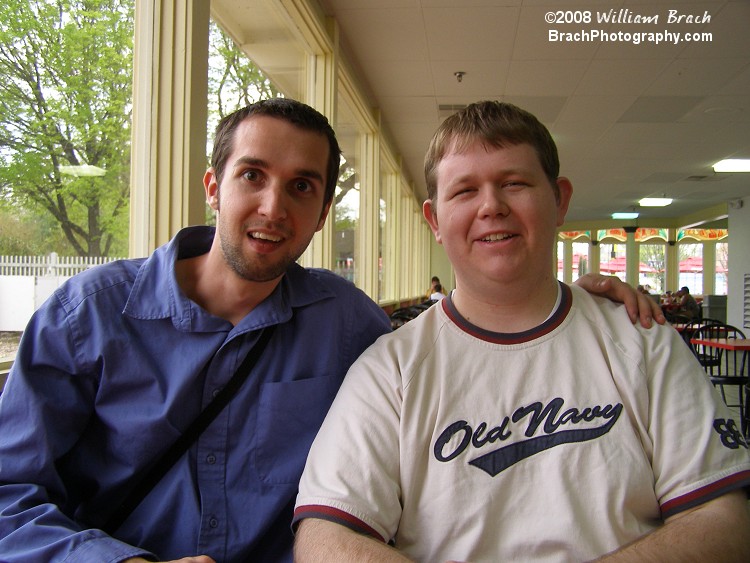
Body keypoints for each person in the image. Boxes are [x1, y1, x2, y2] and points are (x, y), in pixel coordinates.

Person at [0, 98, 660, 563]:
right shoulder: (86, 315)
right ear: (213, 185)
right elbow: (9, 491)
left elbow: (461, 368)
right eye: (252, 176)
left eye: (302, 187)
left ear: (320, 215)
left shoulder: (345, 321)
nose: (272, 206)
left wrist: (571, 299)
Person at [293, 101, 750, 562]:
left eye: (514, 183)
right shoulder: (389, 369)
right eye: (465, 191)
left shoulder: (643, 339)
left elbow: (724, 521)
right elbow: (324, 541)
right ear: (434, 220)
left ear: (560, 200)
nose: (492, 206)